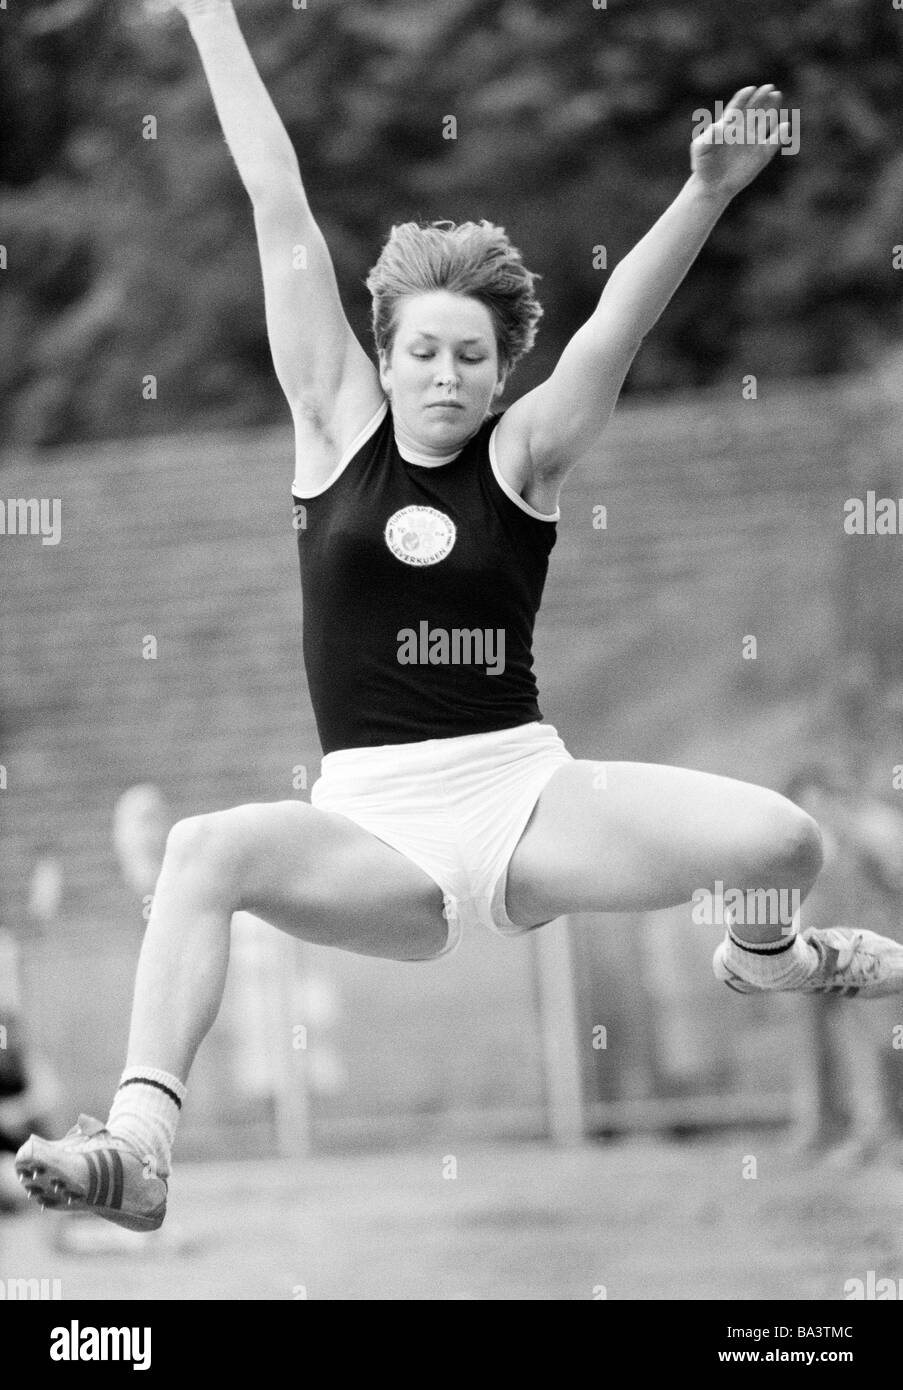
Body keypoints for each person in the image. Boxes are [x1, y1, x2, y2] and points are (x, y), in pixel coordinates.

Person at [16, 1, 903, 1231]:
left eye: (472, 358)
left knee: (786, 844)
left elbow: (617, 327)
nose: (446, 374)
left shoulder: (524, 458)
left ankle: (772, 959)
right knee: (203, 850)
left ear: (499, 372)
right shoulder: (333, 428)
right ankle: (141, 1145)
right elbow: (276, 196)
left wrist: (705, 192)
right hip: (372, 828)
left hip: (523, 798)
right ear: (383, 357)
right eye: (425, 352)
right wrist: (209, 13)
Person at [784, 766, 903, 1165]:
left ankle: (878, 1134)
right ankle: (829, 1127)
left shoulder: (874, 828)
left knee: (879, 1043)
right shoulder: (812, 839)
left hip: (875, 953)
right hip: (821, 954)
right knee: (827, 1042)